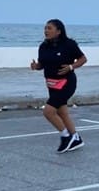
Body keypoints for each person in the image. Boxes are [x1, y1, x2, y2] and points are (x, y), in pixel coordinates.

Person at [30, 19, 87, 153]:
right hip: (51, 84)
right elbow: (42, 64)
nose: (46, 31)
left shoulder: (69, 44)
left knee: (48, 111)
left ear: (59, 31)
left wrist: (71, 66)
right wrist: (36, 66)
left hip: (66, 83)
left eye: (49, 28)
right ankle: (76, 138)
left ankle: (66, 137)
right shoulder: (43, 46)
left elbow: (83, 59)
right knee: (62, 112)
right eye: (45, 28)